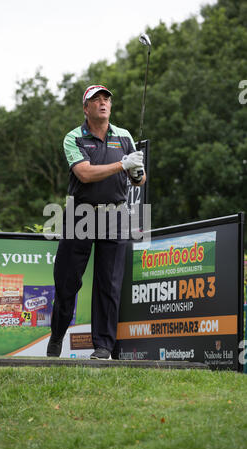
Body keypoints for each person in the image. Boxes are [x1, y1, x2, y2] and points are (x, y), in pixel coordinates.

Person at [47, 84, 146, 360]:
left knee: (109, 283)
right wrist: (122, 165)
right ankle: (56, 336)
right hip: (81, 214)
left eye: (106, 99)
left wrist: (136, 171)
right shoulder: (74, 137)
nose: (102, 103)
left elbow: (140, 178)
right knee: (68, 281)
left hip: (115, 215)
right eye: (96, 100)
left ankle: (102, 347)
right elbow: (85, 174)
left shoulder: (124, 137)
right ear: (86, 108)